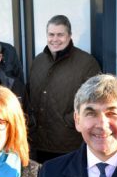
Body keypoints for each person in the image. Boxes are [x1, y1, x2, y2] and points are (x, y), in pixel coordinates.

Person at [27, 15, 100, 162]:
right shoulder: (38, 61)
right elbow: (28, 94)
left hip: (67, 144)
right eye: (51, 34)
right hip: (36, 143)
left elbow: (95, 101)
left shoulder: (87, 63)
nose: (55, 39)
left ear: (70, 35)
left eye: (60, 34)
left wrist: (70, 120)